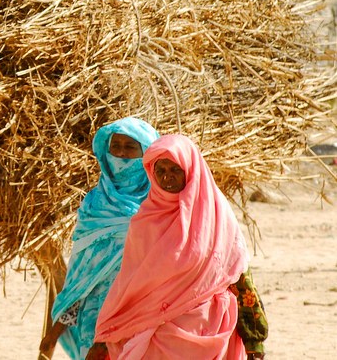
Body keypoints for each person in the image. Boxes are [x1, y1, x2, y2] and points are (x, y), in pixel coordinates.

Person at [86, 134, 268, 360]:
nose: (167, 178)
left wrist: (254, 340)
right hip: (154, 335)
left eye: (175, 170)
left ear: (190, 171)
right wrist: (105, 337)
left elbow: (240, 278)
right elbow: (129, 285)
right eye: (160, 171)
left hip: (207, 332)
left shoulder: (214, 215)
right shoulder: (144, 221)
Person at [39, 117, 160, 359]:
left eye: (130, 147)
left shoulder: (158, 205)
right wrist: (57, 330)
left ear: (146, 153)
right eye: (116, 146)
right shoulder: (94, 203)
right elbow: (81, 276)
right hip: (92, 321)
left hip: (142, 319)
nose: (121, 154)